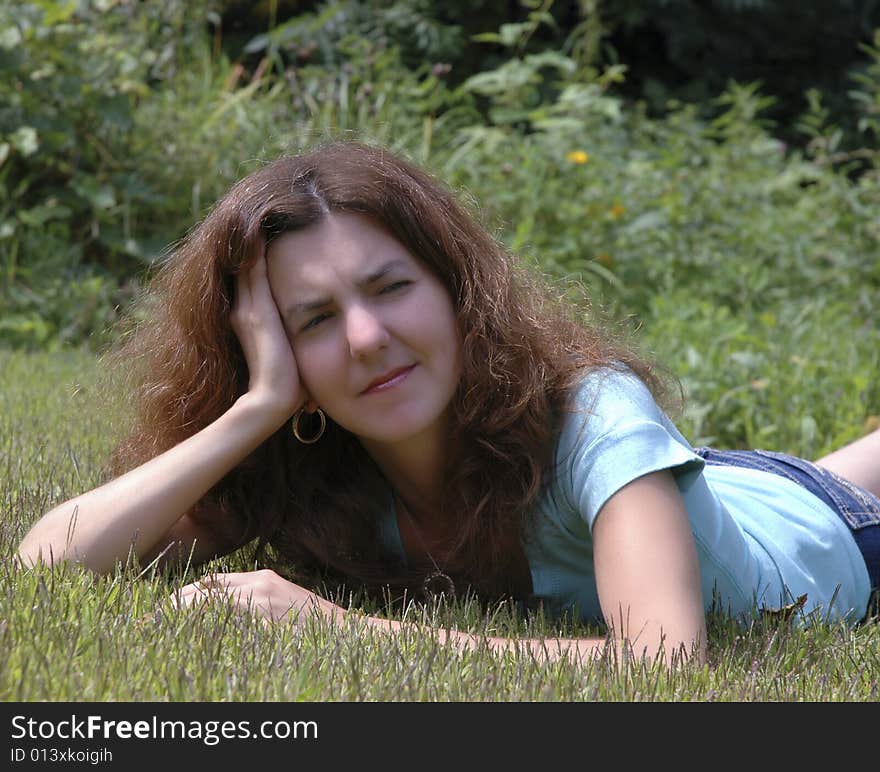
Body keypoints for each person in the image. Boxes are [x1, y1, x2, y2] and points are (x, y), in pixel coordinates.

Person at [17, 141, 880, 667]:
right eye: (313, 319)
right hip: (689, 500)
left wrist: (340, 631)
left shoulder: (596, 417)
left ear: (456, 289)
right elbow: (46, 568)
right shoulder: (314, 459)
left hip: (819, 531)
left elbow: (665, 667)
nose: (364, 338)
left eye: (390, 288)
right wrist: (260, 406)